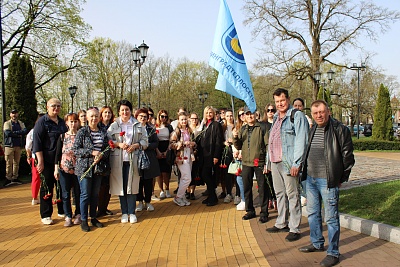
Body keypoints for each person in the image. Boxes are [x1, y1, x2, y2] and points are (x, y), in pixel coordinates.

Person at [298, 100, 355, 267]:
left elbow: (348, 157)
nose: (319, 115)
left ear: (328, 111)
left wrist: (340, 179)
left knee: (331, 218)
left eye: (322, 112)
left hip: (328, 181)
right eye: (315, 113)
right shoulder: (313, 128)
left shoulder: (339, 129)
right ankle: (316, 242)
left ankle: (333, 253)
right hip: (311, 179)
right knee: (313, 213)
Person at [266, 88, 309, 242]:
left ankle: (294, 227)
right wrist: (268, 162)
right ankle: (281, 222)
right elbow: (271, 140)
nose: (280, 104)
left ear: (288, 100)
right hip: (275, 162)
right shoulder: (276, 118)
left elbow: (301, 141)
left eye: (282, 100)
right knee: (279, 194)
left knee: (293, 194)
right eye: (277, 101)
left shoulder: (296, 116)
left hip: (288, 162)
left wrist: (297, 163)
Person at [108, 100, 148, 224]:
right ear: (119, 112)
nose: (125, 112)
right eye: (122, 110)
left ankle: (132, 212)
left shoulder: (138, 125)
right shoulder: (114, 125)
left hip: (133, 160)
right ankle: (124, 212)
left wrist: (136, 145)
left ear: (131, 111)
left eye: (127, 110)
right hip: (118, 160)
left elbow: (145, 141)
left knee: (132, 187)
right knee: (121, 187)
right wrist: (118, 144)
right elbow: (108, 141)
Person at [74, 107, 109, 232]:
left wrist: (101, 156)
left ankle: (93, 217)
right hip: (85, 168)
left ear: (99, 118)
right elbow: (76, 150)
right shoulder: (82, 132)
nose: (94, 118)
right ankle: (84, 219)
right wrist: (92, 152)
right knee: (85, 194)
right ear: (87, 118)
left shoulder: (103, 131)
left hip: (98, 168)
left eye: (96, 116)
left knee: (95, 194)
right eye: (91, 116)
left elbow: (107, 148)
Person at [33, 98, 68, 225]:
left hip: (60, 160)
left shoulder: (62, 123)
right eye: (53, 106)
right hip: (46, 160)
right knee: (47, 187)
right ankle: (46, 214)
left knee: (60, 186)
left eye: (58, 106)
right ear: (47, 107)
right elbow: (37, 142)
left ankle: (62, 210)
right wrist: (40, 161)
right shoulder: (42, 122)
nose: (56, 108)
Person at [233, 106, 270, 223]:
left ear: (256, 114)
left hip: (259, 161)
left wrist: (267, 163)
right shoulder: (243, 129)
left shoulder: (262, 127)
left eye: (252, 113)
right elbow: (238, 146)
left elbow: (267, 145)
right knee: (247, 187)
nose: (250, 116)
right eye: (247, 114)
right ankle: (250, 210)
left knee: (263, 188)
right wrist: (235, 137)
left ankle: (264, 212)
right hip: (246, 162)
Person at [54, 113, 81, 227]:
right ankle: (68, 216)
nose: (73, 124)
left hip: (78, 168)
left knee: (78, 192)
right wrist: (56, 168)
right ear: (66, 123)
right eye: (71, 121)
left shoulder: (81, 135)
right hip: (64, 168)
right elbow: (57, 153)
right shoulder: (62, 136)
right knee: (65, 194)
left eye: (75, 121)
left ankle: (78, 214)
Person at [135, 108, 159, 212]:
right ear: (137, 117)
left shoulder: (151, 129)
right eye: (141, 116)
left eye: (145, 117)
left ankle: (148, 201)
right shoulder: (133, 129)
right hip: (137, 157)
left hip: (149, 157)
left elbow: (156, 142)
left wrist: (147, 145)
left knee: (148, 181)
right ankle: (140, 201)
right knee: (139, 181)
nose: (143, 118)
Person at [170, 112, 197, 206]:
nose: (184, 121)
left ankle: (182, 197)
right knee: (187, 178)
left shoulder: (189, 131)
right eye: (182, 119)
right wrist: (181, 144)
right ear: (179, 120)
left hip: (189, 155)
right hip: (181, 155)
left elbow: (194, 142)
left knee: (184, 177)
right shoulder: (176, 131)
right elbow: (171, 144)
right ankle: (178, 197)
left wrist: (193, 144)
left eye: (185, 119)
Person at [199, 106, 223, 206]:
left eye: (210, 112)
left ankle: (213, 197)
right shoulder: (204, 125)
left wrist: (216, 156)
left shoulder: (216, 125)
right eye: (207, 113)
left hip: (211, 154)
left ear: (213, 113)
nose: (209, 114)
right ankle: (210, 195)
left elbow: (218, 141)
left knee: (207, 175)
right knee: (205, 174)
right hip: (203, 154)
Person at [292, 97, 312, 207]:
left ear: (303, 107)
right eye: (295, 105)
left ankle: (305, 195)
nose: (298, 107)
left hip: (305, 152)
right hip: (294, 151)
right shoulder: (290, 118)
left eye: (300, 105)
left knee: (303, 174)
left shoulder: (306, 119)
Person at [97, 106, 115, 217]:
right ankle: (99, 208)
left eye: (109, 112)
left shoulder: (113, 126)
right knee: (100, 185)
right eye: (105, 112)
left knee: (108, 185)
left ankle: (104, 207)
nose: (107, 114)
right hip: (100, 158)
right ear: (101, 114)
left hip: (112, 157)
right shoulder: (98, 126)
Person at [3, 109, 28, 186]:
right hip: (9, 146)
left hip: (18, 145)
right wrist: (18, 134)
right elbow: (7, 133)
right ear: (10, 115)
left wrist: (14, 133)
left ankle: (15, 177)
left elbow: (25, 131)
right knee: (8, 163)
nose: (14, 115)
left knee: (16, 162)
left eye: (15, 113)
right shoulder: (7, 123)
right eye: (12, 113)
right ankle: (8, 178)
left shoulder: (20, 123)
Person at [25, 113, 45, 205]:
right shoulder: (33, 132)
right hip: (38, 157)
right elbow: (28, 147)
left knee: (37, 177)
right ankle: (35, 197)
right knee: (38, 177)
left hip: (37, 156)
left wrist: (28, 155)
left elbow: (28, 147)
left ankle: (36, 197)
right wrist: (29, 156)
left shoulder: (32, 132)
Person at [262, 104, 278, 211]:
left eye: (272, 110)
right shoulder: (263, 125)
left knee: (276, 180)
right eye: (268, 110)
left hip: (276, 155)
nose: (270, 112)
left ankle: (276, 199)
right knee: (267, 179)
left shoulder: (278, 123)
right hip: (266, 155)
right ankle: (269, 199)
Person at [155, 109, 173, 199]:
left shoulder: (169, 127)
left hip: (167, 148)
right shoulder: (155, 126)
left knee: (166, 171)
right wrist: (157, 151)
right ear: (159, 116)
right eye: (162, 116)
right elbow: (153, 139)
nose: (164, 118)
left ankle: (167, 189)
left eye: (166, 116)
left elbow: (171, 139)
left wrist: (167, 151)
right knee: (159, 172)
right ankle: (161, 190)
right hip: (158, 148)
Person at [187, 112, 204, 200]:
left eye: (196, 119)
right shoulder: (186, 129)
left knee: (194, 173)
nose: (194, 120)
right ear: (189, 119)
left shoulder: (200, 130)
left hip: (196, 155)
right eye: (192, 119)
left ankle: (192, 192)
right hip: (186, 155)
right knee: (186, 173)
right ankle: (187, 190)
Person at [221, 109, 235, 203]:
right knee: (227, 173)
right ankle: (228, 193)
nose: (229, 117)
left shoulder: (236, 126)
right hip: (226, 152)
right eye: (227, 116)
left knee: (236, 173)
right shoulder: (222, 127)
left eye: (231, 115)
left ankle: (238, 194)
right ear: (224, 117)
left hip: (235, 151)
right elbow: (218, 139)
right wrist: (224, 142)